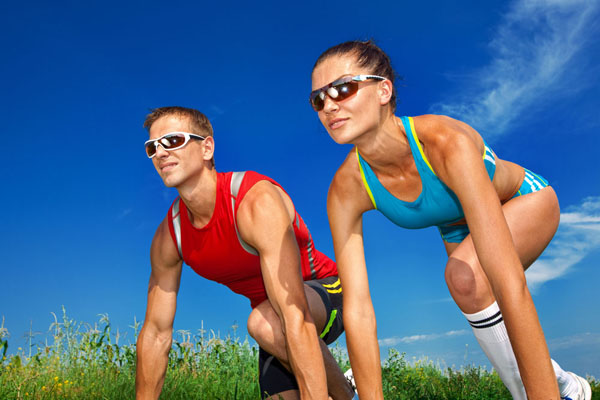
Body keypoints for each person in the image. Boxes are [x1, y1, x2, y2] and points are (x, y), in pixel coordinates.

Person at [309, 40, 592, 400]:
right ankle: (566, 386)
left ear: (383, 91)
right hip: (457, 227)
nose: (329, 106)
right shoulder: (346, 188)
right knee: (467, 284)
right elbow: (358, 310)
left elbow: (510, 285)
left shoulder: (445, 143)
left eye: (342, 88)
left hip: (524, 199)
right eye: (318, 99)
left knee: (468, 277)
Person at [135, 106, 355, 400]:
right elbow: (156, 333)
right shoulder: (170, 235)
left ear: (207, 148)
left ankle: (344, 394)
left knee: (263, 323)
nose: (161, 153)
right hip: (274, 326)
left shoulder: (254, 201)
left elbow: (294, 313)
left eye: (173, 141)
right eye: (152, 147)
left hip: (323, 294)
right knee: (267, 326)